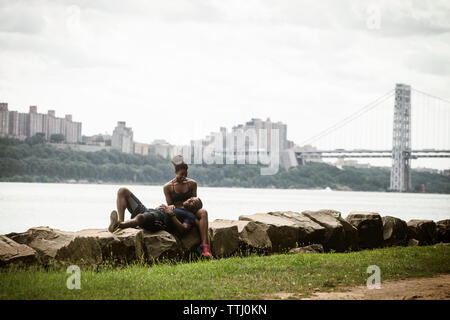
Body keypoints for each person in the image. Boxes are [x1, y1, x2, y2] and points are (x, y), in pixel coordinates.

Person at [163, 156, 211, 258]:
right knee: (198, 224)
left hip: (190, 209)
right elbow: (170, 205)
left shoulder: (192, 184)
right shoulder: (167, 187)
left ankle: (204, 246)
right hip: (178, 211)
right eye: (181, 174)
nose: (184, 177)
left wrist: (191, 207)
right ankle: (205, 250)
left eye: (185, 174)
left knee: (203, 212)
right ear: (175, 172)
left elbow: (194, 200)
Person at [108, 195, 203, 236]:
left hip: (160, 220)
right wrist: (160, 207)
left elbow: (183, 229)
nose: (190, 200)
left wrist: (171, 214)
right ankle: (120, 220)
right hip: (150, 211)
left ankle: (118, 225)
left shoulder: (190, 215)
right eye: (191, 198)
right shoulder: (177, 206)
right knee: (123, 191)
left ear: (194, 209)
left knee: (141, 217)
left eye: (193, 202)